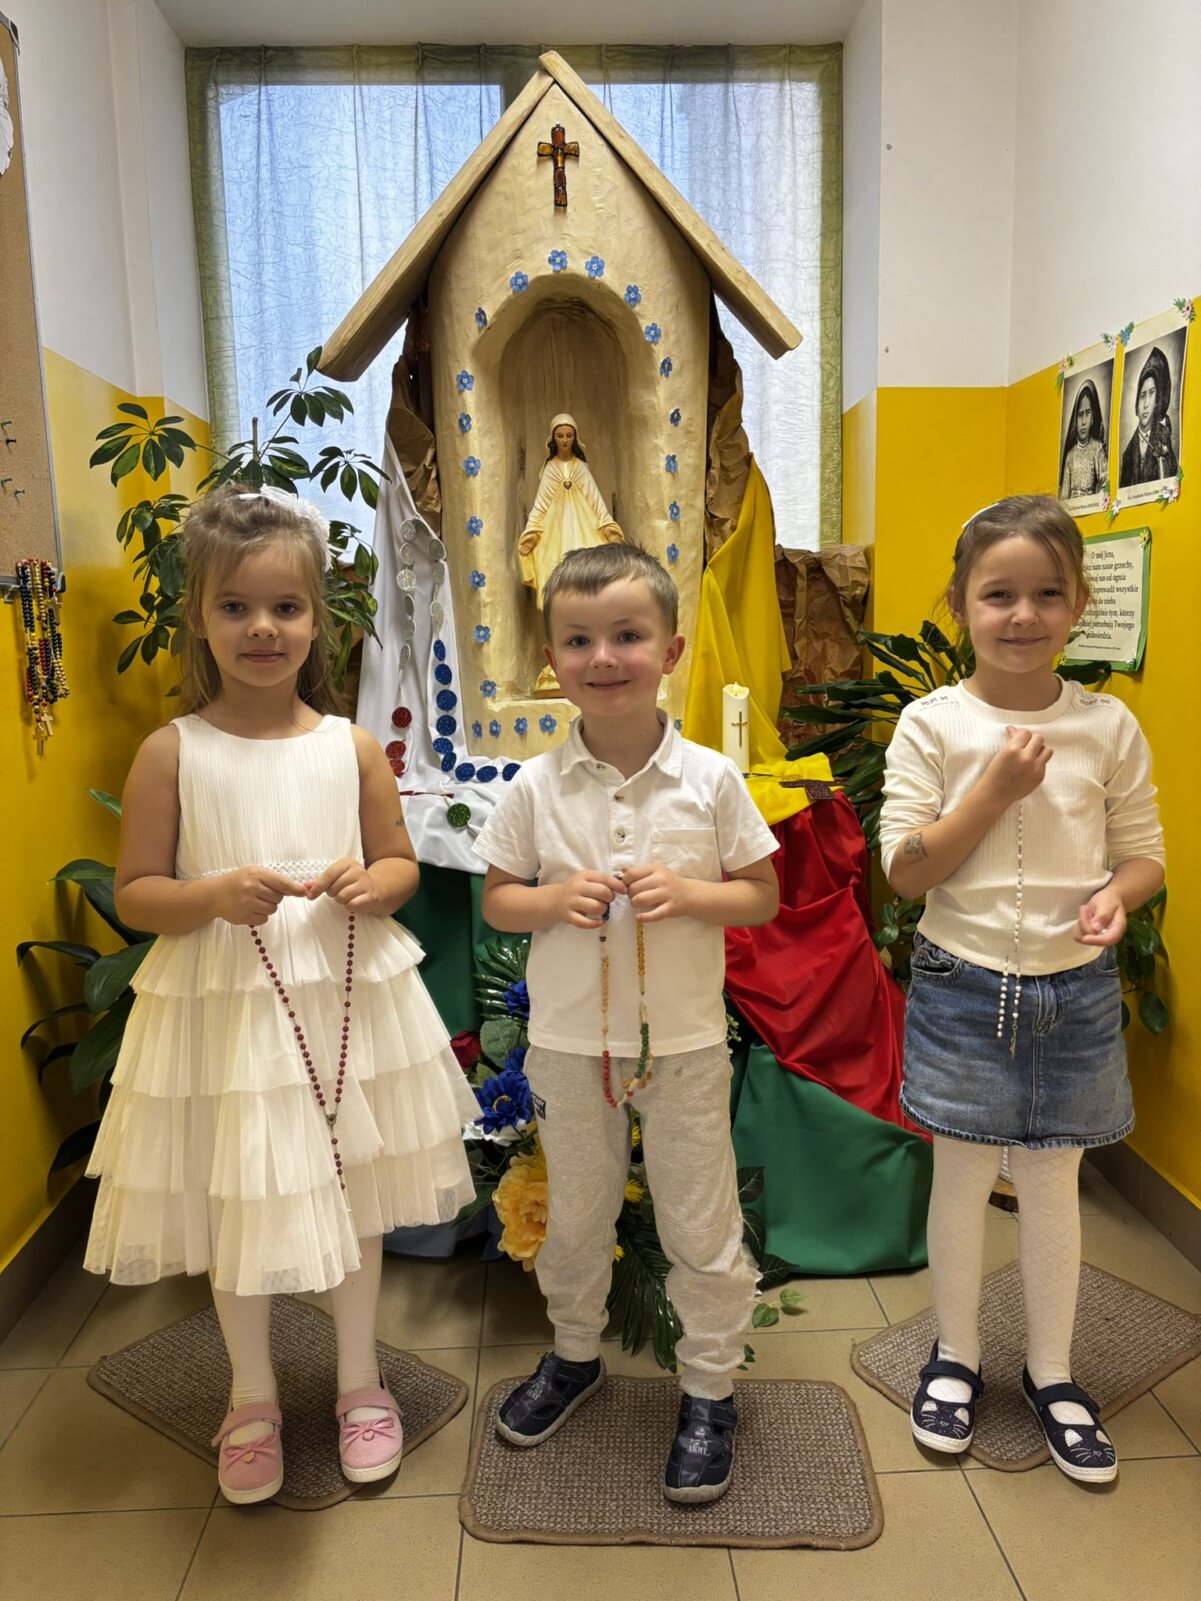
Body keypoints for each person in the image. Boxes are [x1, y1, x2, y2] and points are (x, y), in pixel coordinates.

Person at [83, 484, 478, 1504]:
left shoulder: (349, 746)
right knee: (240, 1199)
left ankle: (359, 1380)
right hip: (228, 1012)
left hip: (344, 999)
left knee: (356, 1192)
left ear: (318, 620)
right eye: (235, 607)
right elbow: (136, 892)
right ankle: (250, 1394)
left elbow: (397, 864)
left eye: (285, 607)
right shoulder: (172, 750)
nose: (262, 627)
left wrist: (374, 883)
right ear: (199, 619)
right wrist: (209, 894)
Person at [474, 542, 780, 1504]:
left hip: (681, 1045)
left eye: (627, 636)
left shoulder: (710, 779)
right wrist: (547, 898)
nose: (602, 657)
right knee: (575, 1215)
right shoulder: (533, 785)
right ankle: (573, 1353)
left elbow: (761, 895)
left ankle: (709, 1386)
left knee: (700, 1219)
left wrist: (689, 892)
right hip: (568, 1047)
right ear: (551, 661)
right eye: (577, 640)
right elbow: (496, 898)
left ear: (671, 649)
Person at [880, 495, 1164, 1485]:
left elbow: (1142, 853)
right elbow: (905, 871)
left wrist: (1117, 897)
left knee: (1051, 1182)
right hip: (960, 984)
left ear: (1077, 603)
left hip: (1072, 990)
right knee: (961, 1179)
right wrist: (993, 791)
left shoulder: (1105, 724)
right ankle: (954, 1355)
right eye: (997, 593)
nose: (1022, 613)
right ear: (960, 602)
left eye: (1047, 592)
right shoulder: (933, 722)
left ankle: (1051, 1370)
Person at [517, 414, 624, 608]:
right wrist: (532, 533)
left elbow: (595, 500)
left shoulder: (580, 468)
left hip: (583, 529)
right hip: (556, 534)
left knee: (588, 576)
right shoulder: (550, 469)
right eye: (560, 436)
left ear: (575, 438)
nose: (565, 441)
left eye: (569, 435)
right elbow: (540, 505)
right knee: (558, 576)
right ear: (553, 439)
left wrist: (607, 527)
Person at [1118, 345, 1178, 487]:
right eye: (1142, 395)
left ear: (1157, 399)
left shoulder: (1164, 436)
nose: (1145, 404)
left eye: (1151, 393)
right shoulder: (1128, 453)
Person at [1058, 379, 1108, 501]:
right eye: (1080, 415)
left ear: (1092, 418)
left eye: (1088, 413)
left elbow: (1106, 480)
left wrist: (1094, 498)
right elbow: (1064, 495)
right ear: (1075, 420)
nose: (1084, 421)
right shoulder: (1070, 455)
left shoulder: (1097, 448)